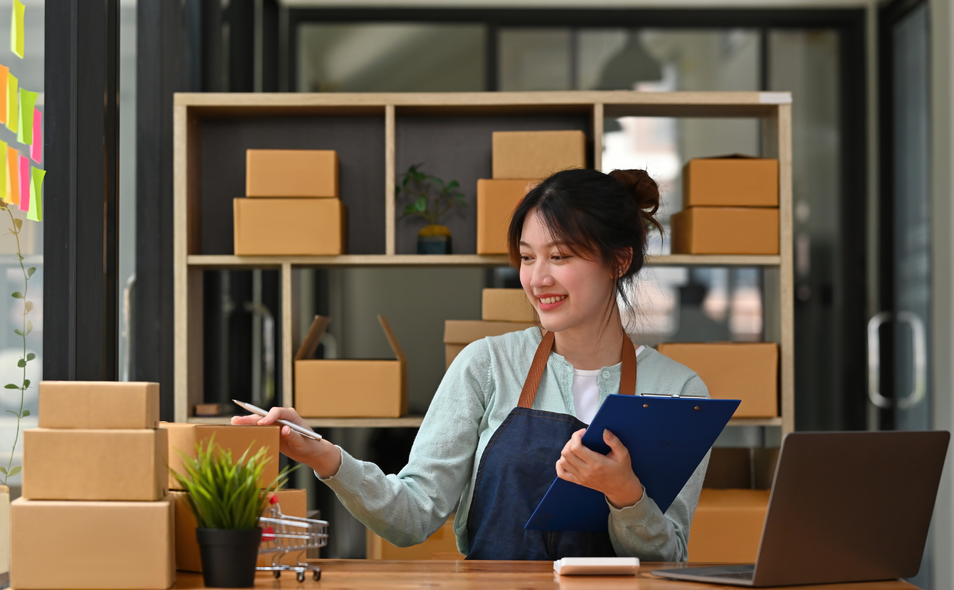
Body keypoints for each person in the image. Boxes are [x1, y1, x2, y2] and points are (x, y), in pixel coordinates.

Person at [233, 168, 710, 561]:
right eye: (527, 257)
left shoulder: (679, 392)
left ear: (618, 261)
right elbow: (413, 516)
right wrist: (324, 456)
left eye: (560, 256)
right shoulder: (488, 365)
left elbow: (669, 556)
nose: (537, 278)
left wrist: (625, 494)